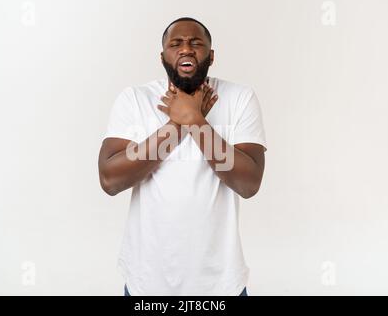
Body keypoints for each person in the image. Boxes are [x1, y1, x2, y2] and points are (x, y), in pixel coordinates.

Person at [98, 17, 267, 296]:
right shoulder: (134, 99)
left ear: (210, 56)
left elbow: (247, 184)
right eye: (175, 44)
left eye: (196, 43)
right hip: (147, 284)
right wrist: (178, 125)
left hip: (221, 286)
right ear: (163, 56)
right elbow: (110, 179)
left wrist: (195, 121)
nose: (186, 49)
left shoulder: (239, 98)